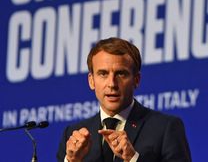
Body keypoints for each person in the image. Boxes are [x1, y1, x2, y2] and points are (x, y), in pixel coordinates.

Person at [57, 37, 192, 162]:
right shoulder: (73, 135)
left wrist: (133, 159)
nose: (112, 84)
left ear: (136, 80)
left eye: (121, 74)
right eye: (103, 74)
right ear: (91, 81)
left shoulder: (165, 128)